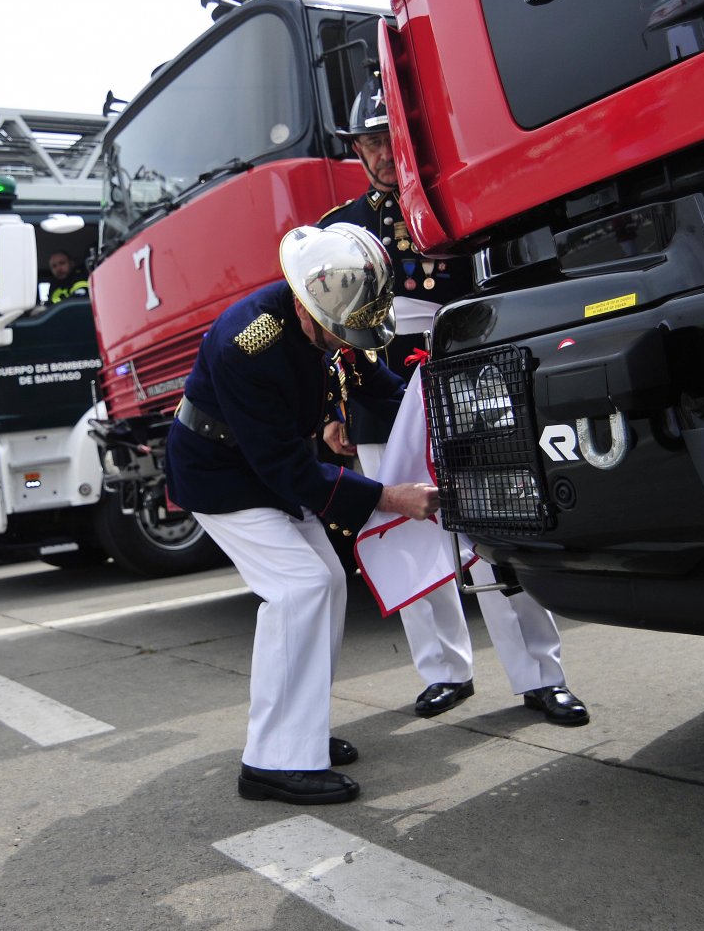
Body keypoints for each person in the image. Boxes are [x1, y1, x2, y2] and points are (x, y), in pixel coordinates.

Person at [319, 73, 589, 727]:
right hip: (380, 400)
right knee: (404, 526)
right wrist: (331, 411)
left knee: (498, 527)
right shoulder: (338, 228)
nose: (382, 153)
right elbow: (325, 329)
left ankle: (540, 674)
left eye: (391, 138)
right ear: (355, 149)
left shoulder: (458, 200)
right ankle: (444, 670)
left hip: (466, 383)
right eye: (369, 141)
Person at [166, 222, 440, 806]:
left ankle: (301, 733)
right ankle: (271, 762)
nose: (348, 342)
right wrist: (390, 498)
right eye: (338, 331)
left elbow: (379, 386)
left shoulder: (334, 319)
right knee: (301, 587)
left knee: (330, 584)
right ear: (302, 302)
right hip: (220, 473)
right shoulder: (249, 342)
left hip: (264, 463)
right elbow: (286, 469)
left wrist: (435, 409)